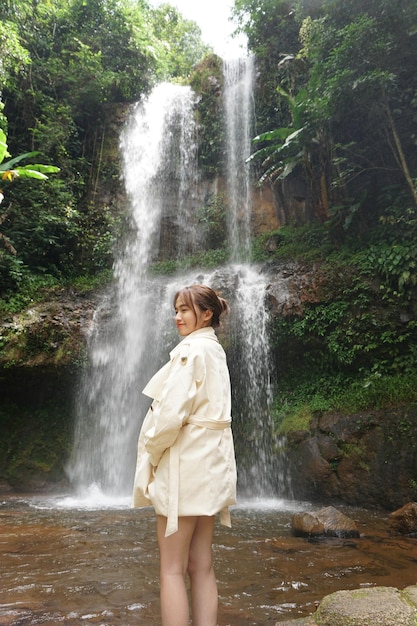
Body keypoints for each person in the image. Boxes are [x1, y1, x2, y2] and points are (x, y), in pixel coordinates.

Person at [132, 284, 237, 626]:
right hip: (210, 466)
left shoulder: (190, 352)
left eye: (185, 310)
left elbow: (168, 419)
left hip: (185, 466)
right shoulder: (214, 350)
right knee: (201, 565)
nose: (177, 317)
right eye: (175, 311)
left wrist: (151, 451)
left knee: (172, 569)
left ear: (207, 314)